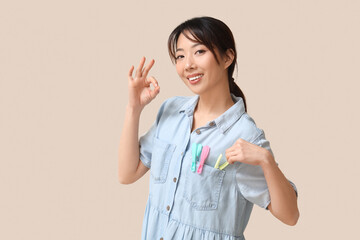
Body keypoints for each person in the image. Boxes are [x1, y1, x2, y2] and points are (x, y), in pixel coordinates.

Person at [118, 16, 299, 240]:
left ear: (227, 58)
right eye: (180, 56)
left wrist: (266, 160)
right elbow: (127, 174)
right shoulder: (171, 111)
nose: (188, 64)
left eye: (199, 51)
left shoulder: (243, 134)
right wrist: (133, 108)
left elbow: (290, 215)